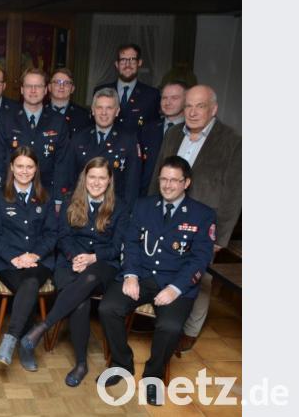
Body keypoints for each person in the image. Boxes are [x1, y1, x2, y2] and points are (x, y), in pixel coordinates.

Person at [98, 156, 216, 406]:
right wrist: (130, 274)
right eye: (164, 179)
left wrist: (176, 289)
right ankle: (121, 364)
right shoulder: (143, 206)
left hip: (176, 283)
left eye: (175, 180)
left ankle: (153, 376)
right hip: (141, 275)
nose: (168, 185)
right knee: (108, 308)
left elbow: (201, 259)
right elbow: (130, 242)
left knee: (171, 327)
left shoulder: (202, 215)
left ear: (186, 183)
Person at [18, 157, 126, 387]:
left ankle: (42, 327)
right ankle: (81, 364)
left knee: (90, 276)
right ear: (84, 179)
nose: (96, 182)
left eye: (102, 178)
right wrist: (74, 257)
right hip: (70, 262)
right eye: (92, 177)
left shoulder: (120, 206)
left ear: (109, 181)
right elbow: (63, 237)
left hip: (102, 264)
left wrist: (92, 258)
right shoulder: (70, 201)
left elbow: (117, 247)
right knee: (80, 303)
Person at [148, 85, 241, 352]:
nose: (192, 111)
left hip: (204, 223)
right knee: (166, 264)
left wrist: (220, 236)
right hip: (167, 215)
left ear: (213, 109)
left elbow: (235, 192)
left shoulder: (232, 141)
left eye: (199, 106)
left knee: (200, 277)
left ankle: (190, 330)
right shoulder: (175, 133)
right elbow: (159, 172)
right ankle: (167, 318)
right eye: (188, 105)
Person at [0, 146, 57, 371]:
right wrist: (15, 258)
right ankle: (26, 345)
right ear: (11, 167)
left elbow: (51, 234)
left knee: (29, 282)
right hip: (8, 263)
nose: (24, 171)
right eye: (19, 166)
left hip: (39, 261)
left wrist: (34, 255)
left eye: (29, 166)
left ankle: (11, 340)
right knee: (28, 287)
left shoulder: (45, 197)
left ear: (36, 168)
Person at [0, 68, 71, 204]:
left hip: (47, 196)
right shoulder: (6, 119)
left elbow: (62, 164)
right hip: (11, 195)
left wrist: (58, 199)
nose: (33, 90)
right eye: (29, 86)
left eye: (38, 86)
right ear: (22, 90)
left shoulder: (58, 121)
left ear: (46, 90)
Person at [66, 88, 141, 210]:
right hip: (82, 207)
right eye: (99, 107)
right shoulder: (78, 138)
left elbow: (132, 182)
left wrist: (128, 212)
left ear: (117, 111)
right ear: (93, 110)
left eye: (109, 108)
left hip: (114, 209)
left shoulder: (128, 140)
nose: (103, 113)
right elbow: (70, 177)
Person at [93, 43, 161, 135]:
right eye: (123, 60)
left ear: (139, 62)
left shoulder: (152, 95)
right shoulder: (100, 91)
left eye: (132, 59)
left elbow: (154, 129)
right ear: (117, 64)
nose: (127, 64)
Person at [139, 81, 188, 196]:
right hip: (145, 196)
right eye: (164, 98)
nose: (168, 102)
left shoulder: (191, 132)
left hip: (176, 196)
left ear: (186, 101)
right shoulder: (147, 129)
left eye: (174, 98)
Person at [47, 68, 92, 137]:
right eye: (57, 82)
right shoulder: (39, 112)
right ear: (49, 87)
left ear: (72, 89)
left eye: (67, 83)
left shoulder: (83, 116)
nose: (61, 86)